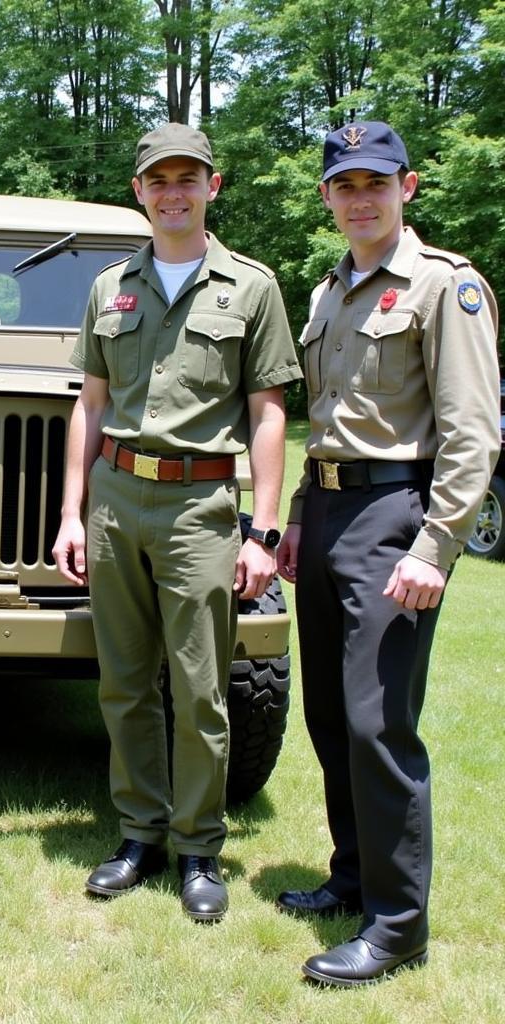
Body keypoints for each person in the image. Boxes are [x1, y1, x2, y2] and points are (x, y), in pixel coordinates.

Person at [52, 123, 302, 921]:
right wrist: (71, 513)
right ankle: (139, 834)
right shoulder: (109, 288)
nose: (173, 192)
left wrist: (263, 528)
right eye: (158, 179)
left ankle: (198, 848)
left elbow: (268, 414)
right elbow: (89, 406)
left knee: (199, 689)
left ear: (212, 187)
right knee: (124, 684)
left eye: (187, 178)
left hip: (201, 506)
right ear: (139, 191)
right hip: (117, 501)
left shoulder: (251, 288)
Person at [275, 122, 500, 986]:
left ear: (408, 187)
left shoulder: (446, 287)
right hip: (330, 510)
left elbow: (473, 432)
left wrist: (437, 545)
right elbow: (325, 422)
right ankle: (353, 879)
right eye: (344, 185)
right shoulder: (332, 291)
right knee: (330, 715)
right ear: (329, 196)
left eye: (375, 182)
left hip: (397, 516)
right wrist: (299, 516)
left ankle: (399, 923)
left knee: (379, 723)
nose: (359, 198)